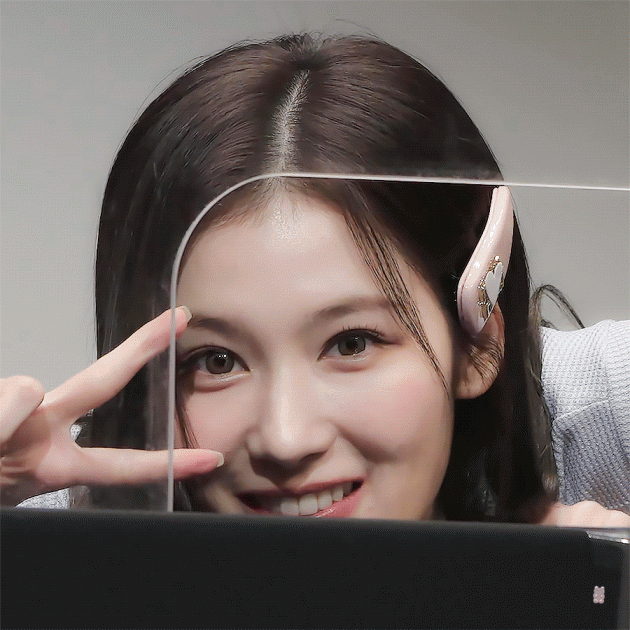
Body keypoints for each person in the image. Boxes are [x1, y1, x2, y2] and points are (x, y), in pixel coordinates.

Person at [2, 34, 628, 526]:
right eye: (216, 360)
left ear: (480, 342)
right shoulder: (62, 493)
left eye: (351, 343)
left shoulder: (599, 411)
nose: (285, 439)